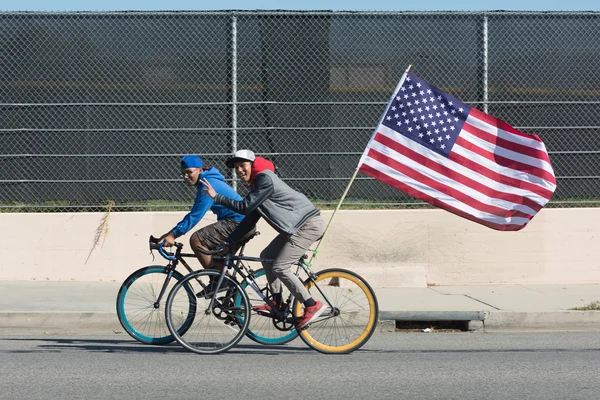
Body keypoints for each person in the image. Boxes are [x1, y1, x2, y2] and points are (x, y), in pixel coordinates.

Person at [201, 149, 326, 330]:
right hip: (296, 227)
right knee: (267, 256)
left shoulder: (264, 179)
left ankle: (311, 304)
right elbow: (249, 219)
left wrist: (218, 197)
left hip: (307, 225)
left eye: (242, 166)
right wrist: (229, 242)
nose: (239, 171)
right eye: (236, 168)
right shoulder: (257, 185)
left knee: (280, 267)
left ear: (252, 165)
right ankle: (278, 302)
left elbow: (244, 207)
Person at [158, 155, 253, 289]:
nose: (186, 176)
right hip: (242, 222)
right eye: (183, 173)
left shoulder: (206, 184)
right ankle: (234, 299)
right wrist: (169, 234)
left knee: (197, 240)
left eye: (189, 172)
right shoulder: (207, 180)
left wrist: (173, 235)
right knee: (217, 260)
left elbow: (195, 215)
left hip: (238, 222)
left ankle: (216, 282)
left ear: (200, 170)